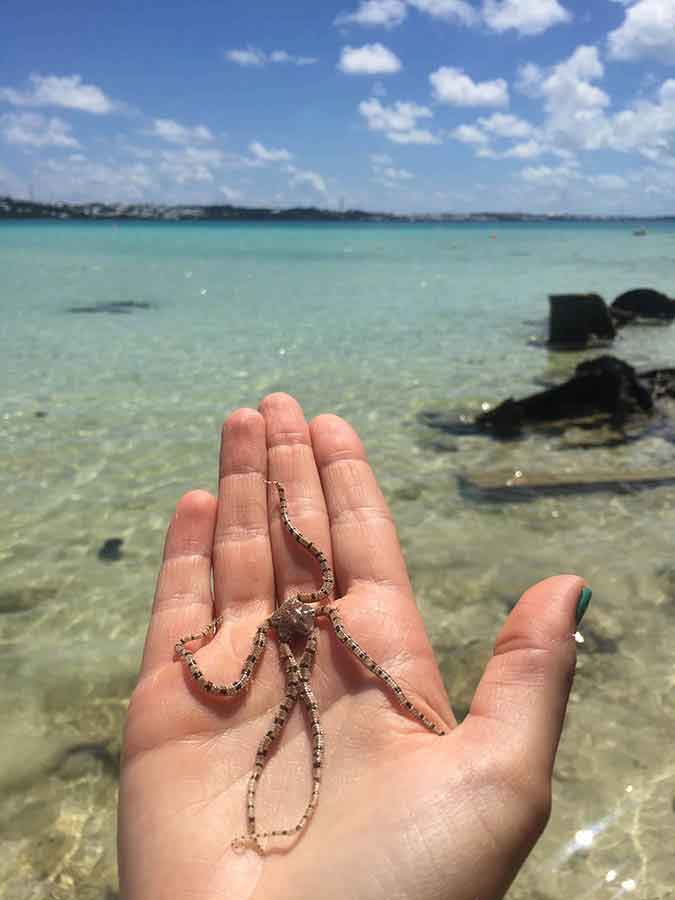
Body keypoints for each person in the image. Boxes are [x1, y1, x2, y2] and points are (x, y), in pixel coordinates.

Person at [118, 392, 590, 900]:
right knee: (337, 704)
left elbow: (324, 628)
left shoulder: (303, 619)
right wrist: (196, 645)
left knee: (369, 686)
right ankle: (268, 819)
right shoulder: (284, 627)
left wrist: (197, 642)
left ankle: (271, 820)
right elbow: (229, 681)